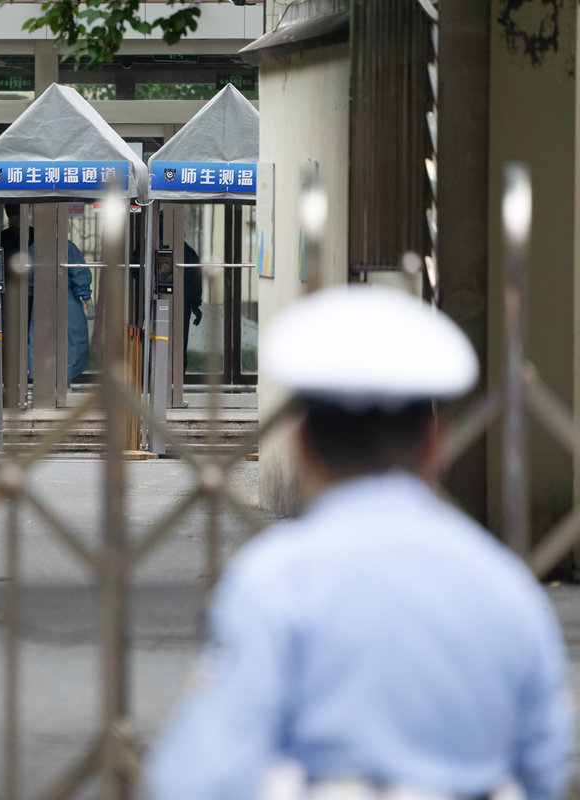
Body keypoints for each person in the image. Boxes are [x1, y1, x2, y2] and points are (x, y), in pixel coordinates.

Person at [145, 286, 573, 800]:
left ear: (302, 445)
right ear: (435, 444)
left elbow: (201, 776)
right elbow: (544, 767)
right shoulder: (504, 586)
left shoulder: (273, 582)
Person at [2, 205, 93, 385]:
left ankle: (46, 385)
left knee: (44, 342)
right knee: (69, 342)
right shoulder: (66, 246)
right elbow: (79, 274)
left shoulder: (35, 247)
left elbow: (28, 281)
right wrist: (88, 301)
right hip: (64, 303)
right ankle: (63, 384)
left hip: (42, 303)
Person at [180, 242, 203, 375]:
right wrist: (195, 306)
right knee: (180, 343)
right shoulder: (188, 252)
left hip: (182, 303)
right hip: (182, 304)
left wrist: (195, 306)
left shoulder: (188, 253)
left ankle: (176, 379)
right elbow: (195, 280)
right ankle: (177, 378)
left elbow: (195, 280)